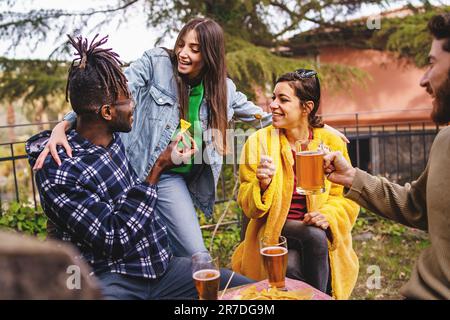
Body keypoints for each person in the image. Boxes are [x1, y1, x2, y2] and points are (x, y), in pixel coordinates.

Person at [33, 18, 348, 258]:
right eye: (182, 44)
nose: (183, 53)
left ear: (209, 54)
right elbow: (111, 93)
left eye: (194, 49)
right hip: (134, 168)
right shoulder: (156, 63)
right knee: (128, 250)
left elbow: (263, 116)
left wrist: (317, 128)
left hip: (171, 179)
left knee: (197, 257)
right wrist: (63, 125)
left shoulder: (222, 89)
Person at [26, 34, 252, 299]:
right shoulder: (59, 171)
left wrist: (64, 123)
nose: (136, 105)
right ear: (108, 113)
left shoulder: (113, 135)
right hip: (108, 278)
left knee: (248, 290)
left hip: (159, 268)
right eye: (129, 100)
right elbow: (114, 238)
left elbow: (91, 108)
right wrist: (157, 169)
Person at [323, 13, 450, 300]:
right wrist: (352, 177)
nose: (423, 80)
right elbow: (417, 205)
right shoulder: (445, 140)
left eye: (431, 63)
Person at [231, 69, 360, 300]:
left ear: (306, 107)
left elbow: (346, 199)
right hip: (273, 229)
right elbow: (247, 205)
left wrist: (328, 216)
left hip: (315, 231)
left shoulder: (330, 142)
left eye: (283, 99)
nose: (272, 105)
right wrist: (261, 185)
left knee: (292, 267)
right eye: (273, 97)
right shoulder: (259, 142)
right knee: (313, 236)